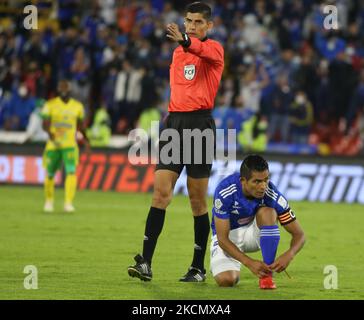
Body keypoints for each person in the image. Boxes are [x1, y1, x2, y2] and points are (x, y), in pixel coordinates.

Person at [128, 2, 224, 282]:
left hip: (200, 125)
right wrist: (183, 43)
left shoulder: (214, 49)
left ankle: (197, 267)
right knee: (160, 193)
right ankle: (145, 262)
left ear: (209, 26)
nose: (192, 26)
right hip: (174, 125)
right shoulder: (177, 53)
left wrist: (186, 40)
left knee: (197, 200)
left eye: (197, 23)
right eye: (188, 21)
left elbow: (200, 49)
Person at [210, 154, 305, 289]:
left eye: (266, 180)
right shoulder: (225, 191)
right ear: (243, 180)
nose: (263, 186)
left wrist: (289, 254)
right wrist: (249, 262)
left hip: (253, 235)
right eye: (257, 181)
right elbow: (222, 239)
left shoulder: (272, 195)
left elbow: (299, 235)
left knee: (268, 212)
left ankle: (266, 277)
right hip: (228, 238)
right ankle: (219, 263)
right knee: (227, 280)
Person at [41, 79, 90, 213]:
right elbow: (44, 123)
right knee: (50, 173)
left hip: (70, 145)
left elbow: (81, 126)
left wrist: (86, 140)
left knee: (71, 172)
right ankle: (49, 201)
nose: (63, 91)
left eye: (65, 88)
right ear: (58, 90)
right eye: (61, 88)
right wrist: (51, 135)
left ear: (69, 90)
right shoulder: (50, 105)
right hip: (53, 145)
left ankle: (68, 203)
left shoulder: (78, 107)